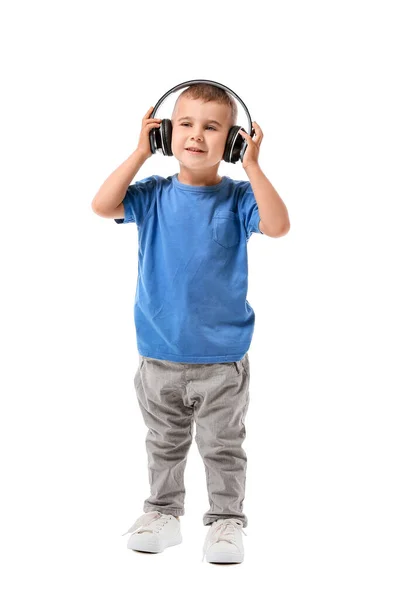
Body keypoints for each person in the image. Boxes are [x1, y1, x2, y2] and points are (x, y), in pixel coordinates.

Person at [91, 82, 290, 564]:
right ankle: (162, 512)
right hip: (158, 355)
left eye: (212, 127)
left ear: (234, 142)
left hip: (222, 361)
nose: (196, 135)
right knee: (164, 443)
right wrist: (140, 152)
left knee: (223, 447)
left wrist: (255, 167)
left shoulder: (240, 199)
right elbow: (102, 205)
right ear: (165, 135)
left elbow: (278, 225)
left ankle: (226, 522)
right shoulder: (152, 195)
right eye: (184, 124)